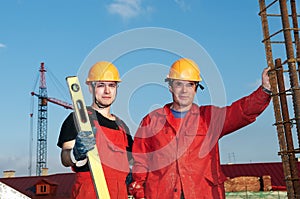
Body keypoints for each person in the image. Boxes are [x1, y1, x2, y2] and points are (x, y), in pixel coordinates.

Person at [129, 58, 271, 199]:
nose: (184, 90)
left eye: (190, 85)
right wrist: (139, 192)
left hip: (202, 193)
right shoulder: (152, 121)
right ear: (170, 87)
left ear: (196, 88)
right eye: (179, 84)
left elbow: (242, 111)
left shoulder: (209, 118)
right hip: (162, 193)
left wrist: (264, 90)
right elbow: (141, 160)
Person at [57, 61, 133, 199]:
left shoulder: (122, 126)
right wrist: (75, 154)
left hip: (120, 192)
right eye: (101, 85)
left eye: (112, 85)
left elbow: (132, 161)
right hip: (89, 191)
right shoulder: (79, 118)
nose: (107, 91)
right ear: (91, 88)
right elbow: (64, 157)